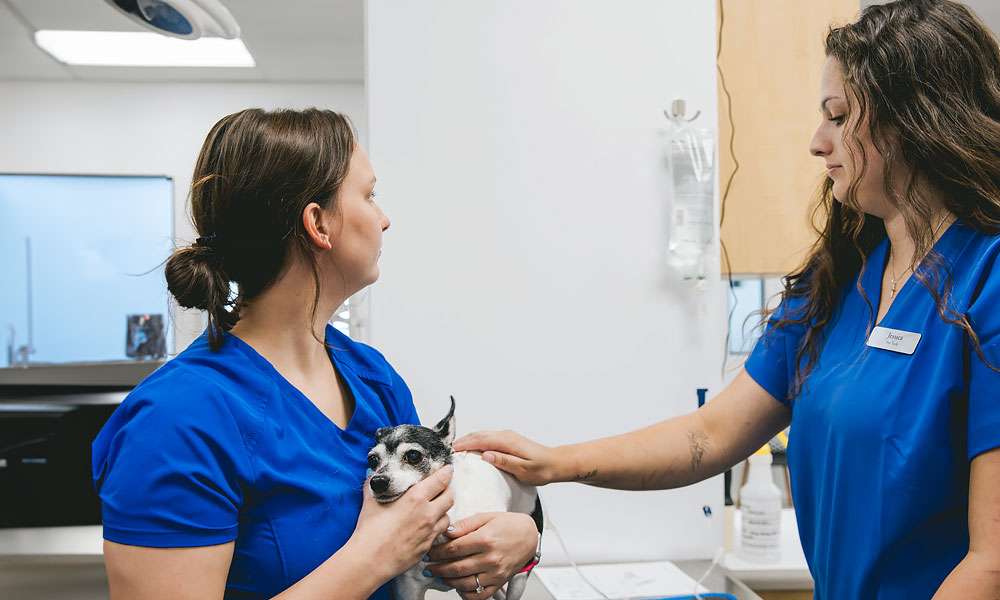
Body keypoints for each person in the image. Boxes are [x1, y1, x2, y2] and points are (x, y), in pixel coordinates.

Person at [454, 1, 1000, 597]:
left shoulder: (987, 279)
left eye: (839, 116)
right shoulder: (841, 282)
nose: (818, 143)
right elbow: (710, 436)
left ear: (917, 121)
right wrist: (557, 463)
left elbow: (991, 563)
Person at [92, 108, 540, 599]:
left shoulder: (375, 379)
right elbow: (390, 547)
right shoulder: (175, 421)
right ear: (318, 223)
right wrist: (371, 557)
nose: (385, 220)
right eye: (369, 196)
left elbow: (431, 535)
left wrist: (517, 538)